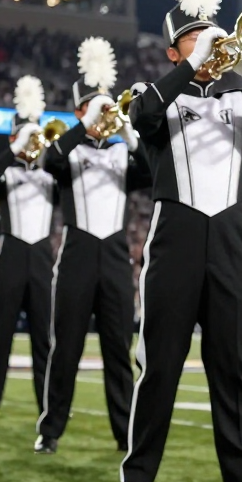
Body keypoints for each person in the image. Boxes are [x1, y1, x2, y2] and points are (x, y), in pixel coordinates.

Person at [116, 0, 242, 482]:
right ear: (173, 49)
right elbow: (141, 118)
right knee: (160, 364)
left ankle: (240, 478)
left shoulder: (238, 102)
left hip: (228, 238)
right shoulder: (156, 93)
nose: (205, 44)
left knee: (231, 367)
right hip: (175, 238)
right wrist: (189, 67)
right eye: (191, 39)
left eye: (208, 37)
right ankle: (137, 478)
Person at [35, 38, 149, 454]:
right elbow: (50, 161)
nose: (104, 112)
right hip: (78, 252)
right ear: (79, 110)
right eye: (94, 105)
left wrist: (128, 130)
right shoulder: (70, 148)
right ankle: (50, 431)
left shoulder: (121, 153)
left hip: (117, 255)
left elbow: (153, 174)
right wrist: (84, 125)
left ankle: (125, 433)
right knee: (66, 346)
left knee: (118, 350)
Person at [0, 76, 57, 420]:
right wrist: (15, 146)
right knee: (2, 334)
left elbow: (63, 164)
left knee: (43, 338)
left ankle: (47, 406)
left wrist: (44, 146)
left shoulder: (50, 174)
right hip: (11, 255)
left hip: (41, 256)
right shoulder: (6, 173)